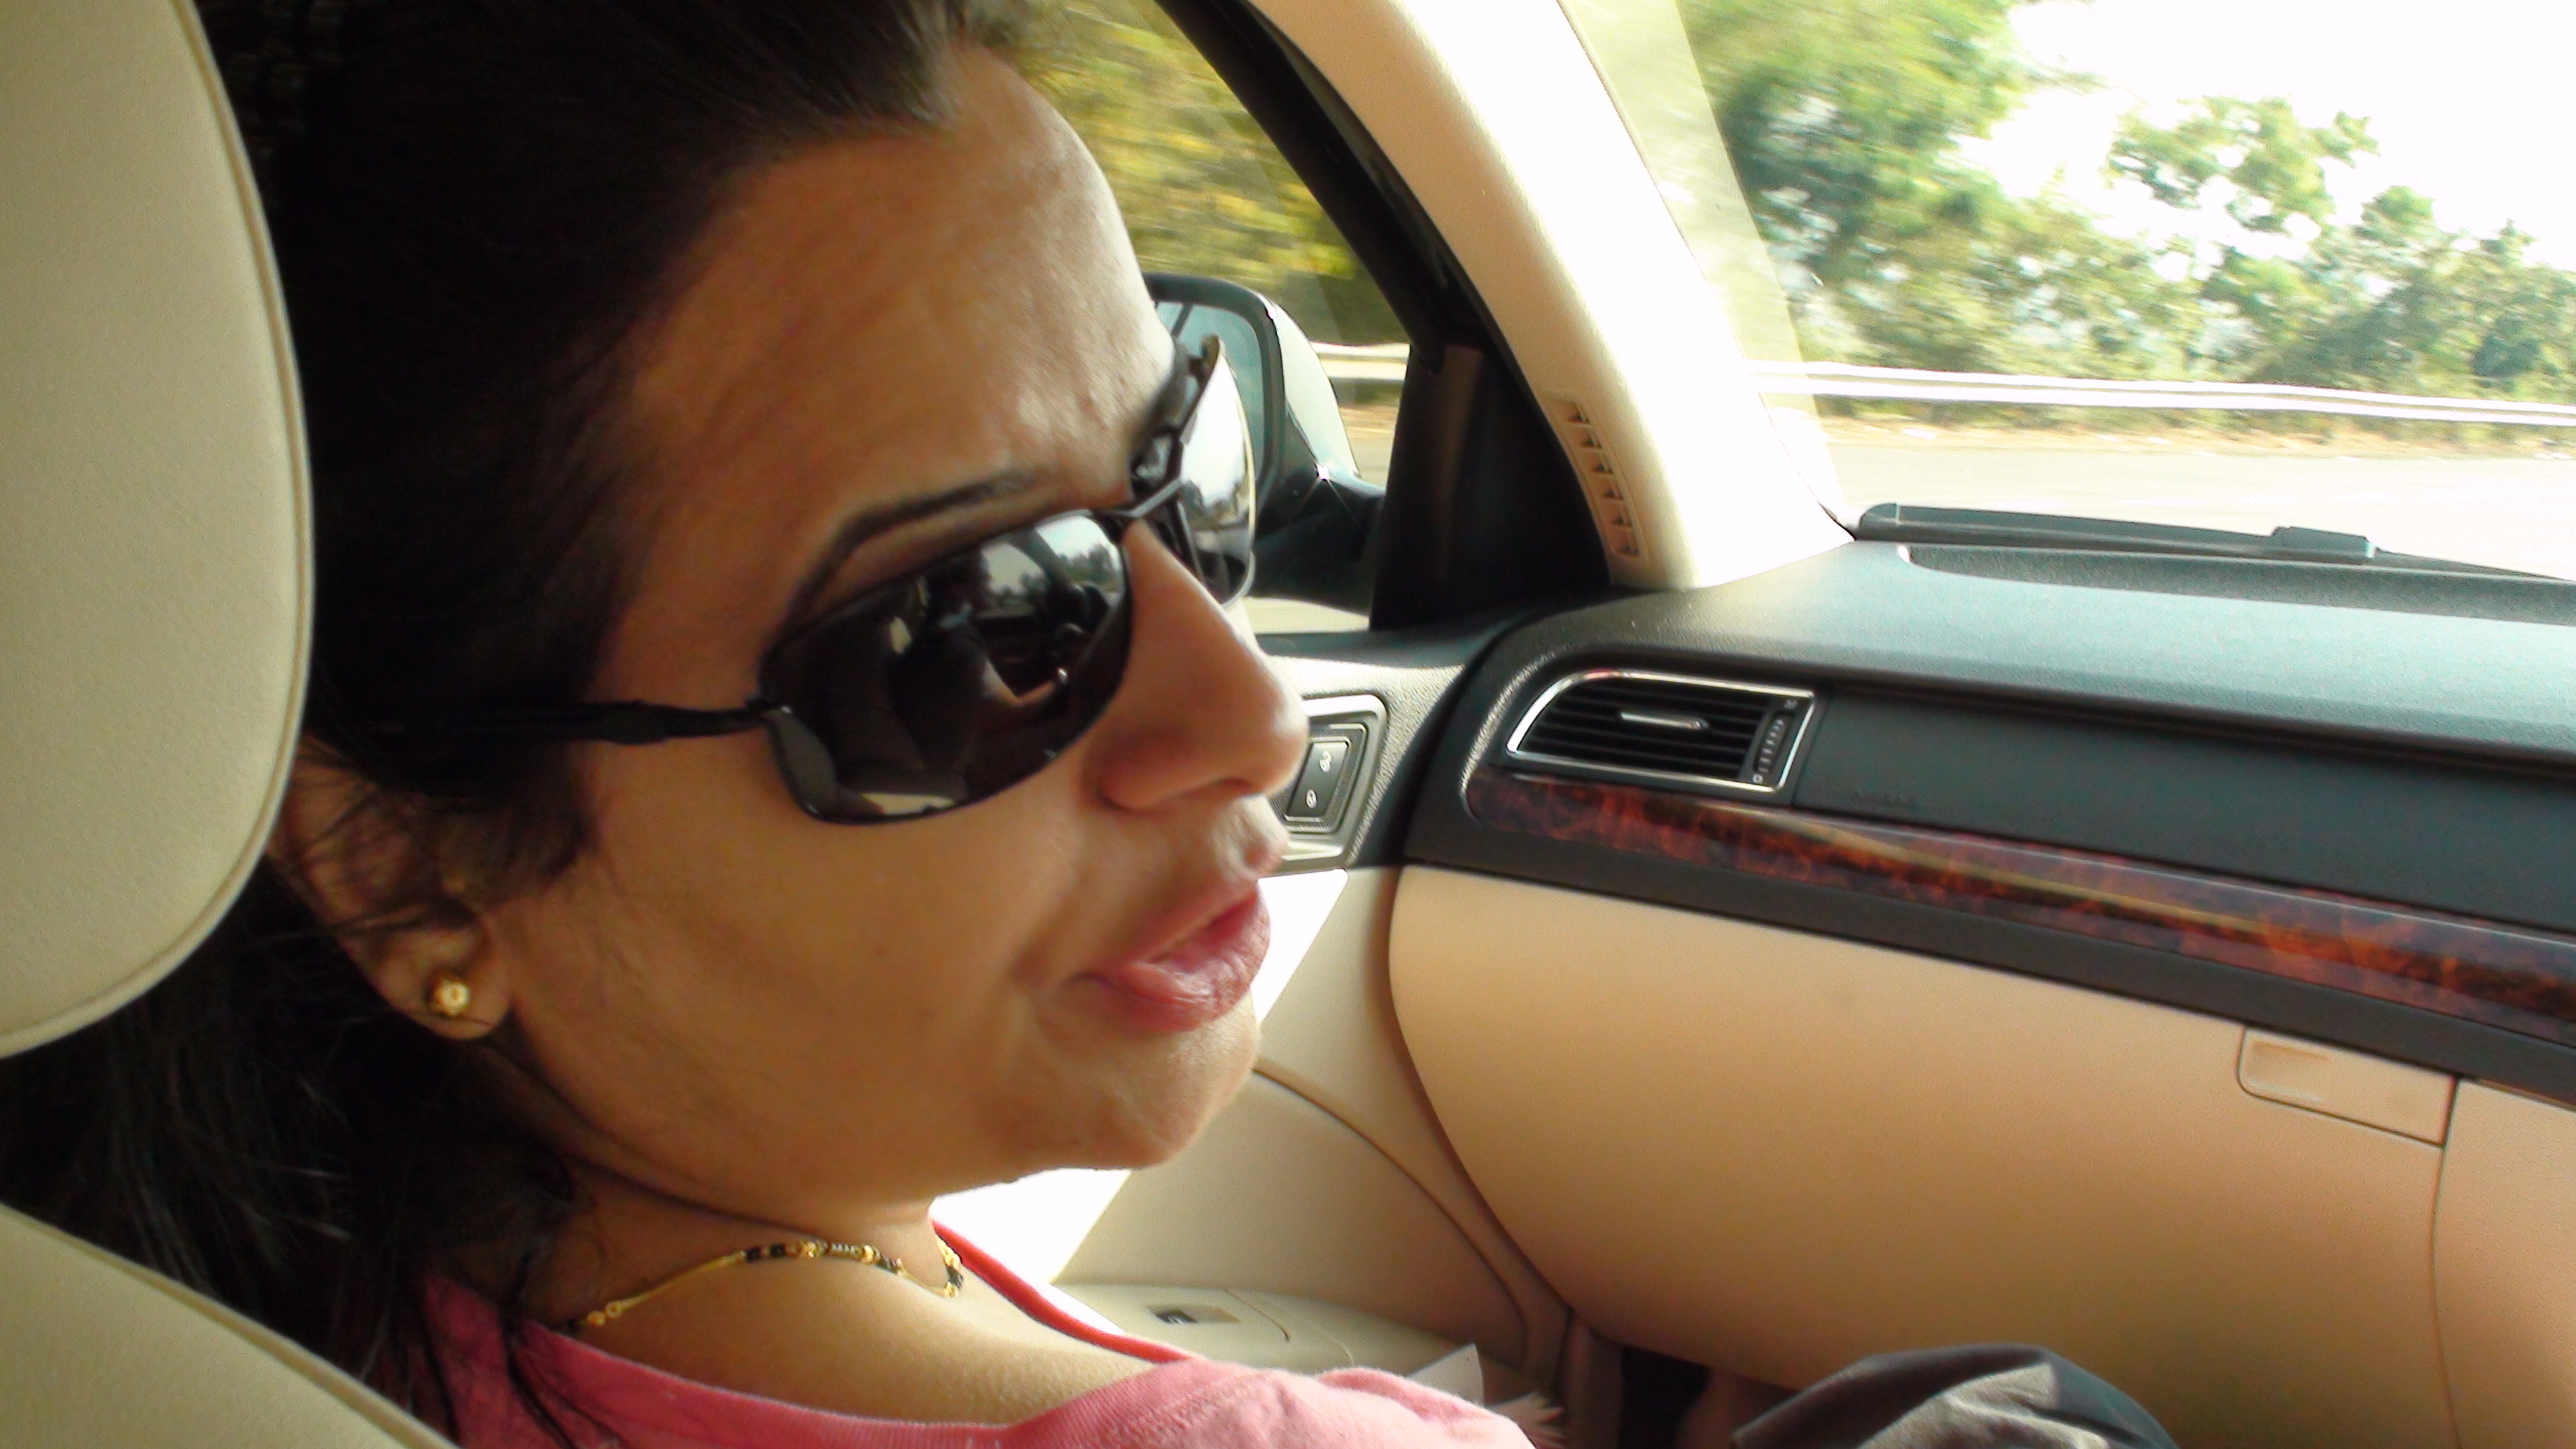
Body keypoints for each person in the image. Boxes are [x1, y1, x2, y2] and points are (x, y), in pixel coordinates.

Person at [0, 3, 2176, 1446]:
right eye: (968, 629)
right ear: (406, 862)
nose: (1247, 711)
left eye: (1189, 475)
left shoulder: (209, 1317)